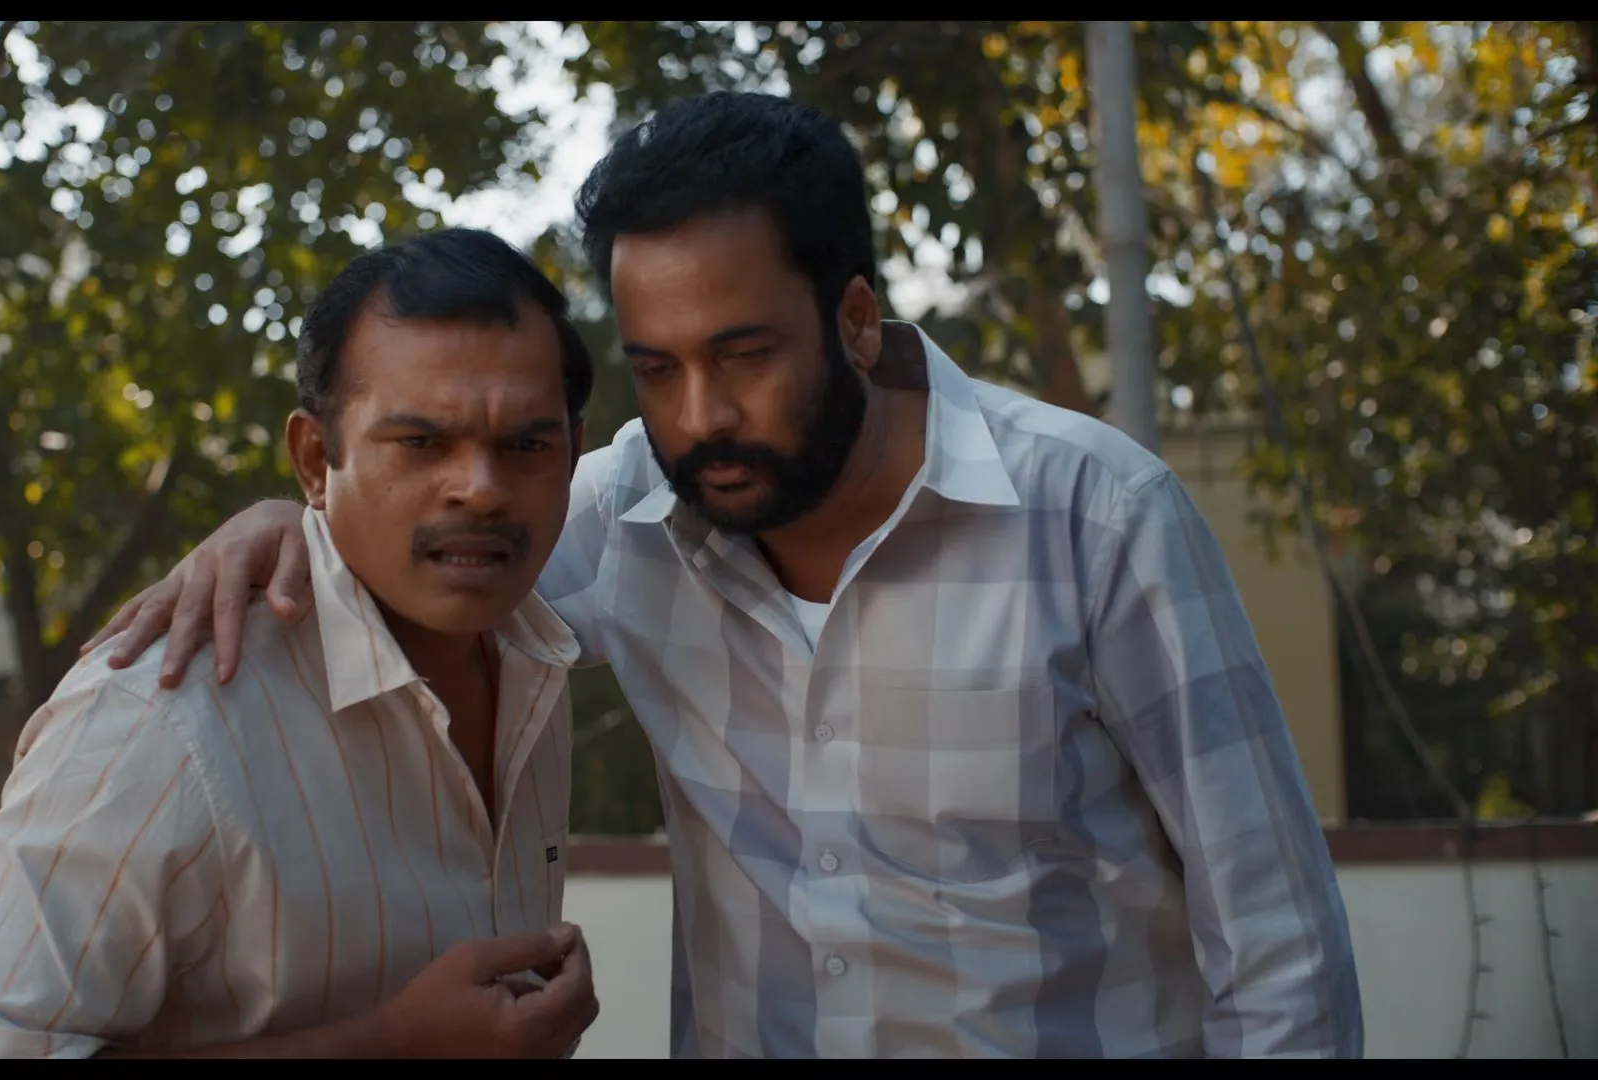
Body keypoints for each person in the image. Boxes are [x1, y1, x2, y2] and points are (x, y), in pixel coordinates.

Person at [83, 92, 1363, 1058]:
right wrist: (284, 519)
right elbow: (418, 557)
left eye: (744, 355)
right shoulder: (628, 511)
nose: (700, 417)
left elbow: (1277, 947)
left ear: (855, 319)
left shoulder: (1097, 516)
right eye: (657, 368)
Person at [0, 228, 601, 1058]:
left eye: (525, 445)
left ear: (572, 454)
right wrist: (394, 1043)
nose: (480, 489)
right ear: (314, 460)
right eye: (420, 443)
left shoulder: (534, 651)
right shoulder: (161, 719)